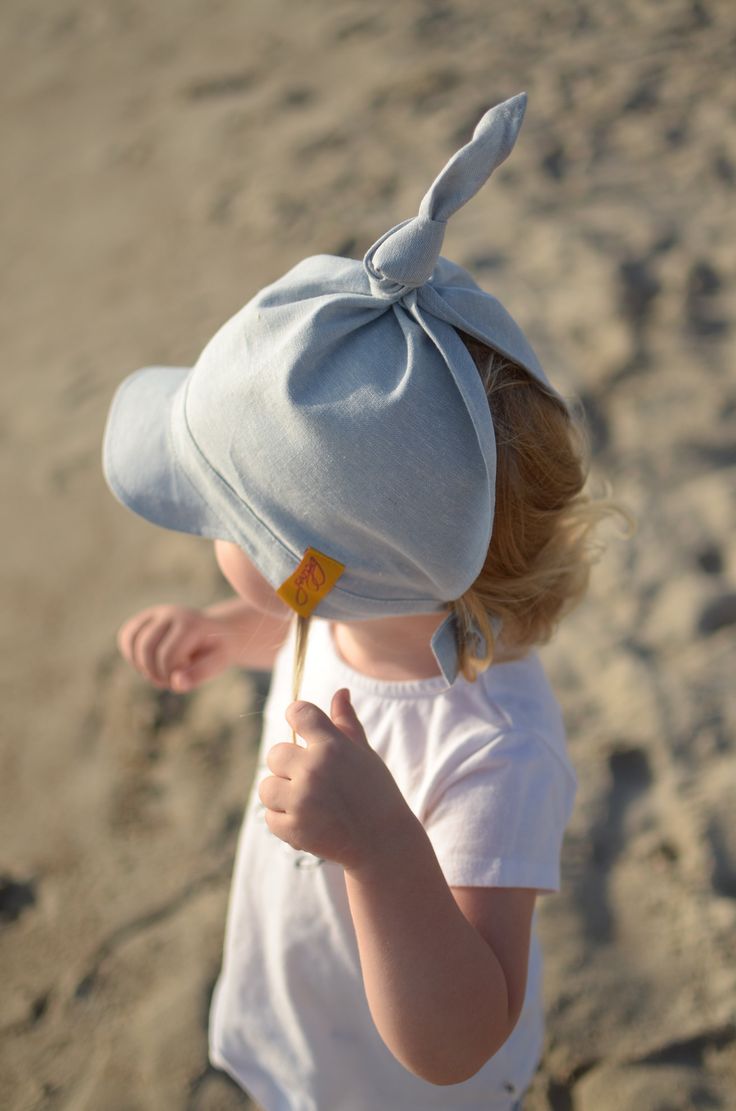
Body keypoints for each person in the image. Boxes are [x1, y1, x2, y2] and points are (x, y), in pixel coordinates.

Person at [103, 94, 614, 1110]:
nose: (207, 536)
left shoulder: (497, 750)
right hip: (304, 1024)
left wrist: (383, 851)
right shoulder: (343, 598)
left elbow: (463, 1033)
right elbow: (303, 620)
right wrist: (222, 633)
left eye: (220, 514)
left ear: (334, 564)